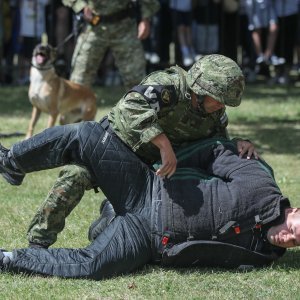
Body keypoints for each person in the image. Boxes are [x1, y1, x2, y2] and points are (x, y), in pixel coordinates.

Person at [3, 54, 257, 249]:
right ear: (200, 89)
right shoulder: (168, 86)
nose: (221, 106)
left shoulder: (214, 113)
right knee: (75, 175)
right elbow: (130, 108)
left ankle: (109, 215)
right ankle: (38, 243)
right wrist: (164, 144)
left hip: (143, 172)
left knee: (110, 234)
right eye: (218, 98)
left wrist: (237, 144)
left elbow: (215, 145)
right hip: (112, 145)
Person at [0, 138, 299, 279]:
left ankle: (9, 259)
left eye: (295, 242)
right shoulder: (260, 181)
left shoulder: (263, 255)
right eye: (294, 230)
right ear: (295, 212)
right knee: (88, 134)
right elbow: (214, 150)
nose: (287, 238)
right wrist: (162, 164)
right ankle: (12, 162)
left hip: (147, 240)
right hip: (147, 189)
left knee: (91, 265)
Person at [62, 0, 160, 89]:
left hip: (124, 27)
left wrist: (145, 18)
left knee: (136, 80)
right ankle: (75, 108)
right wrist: (81, 7)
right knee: (79, 81)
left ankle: (140, 107)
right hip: (94, 28)